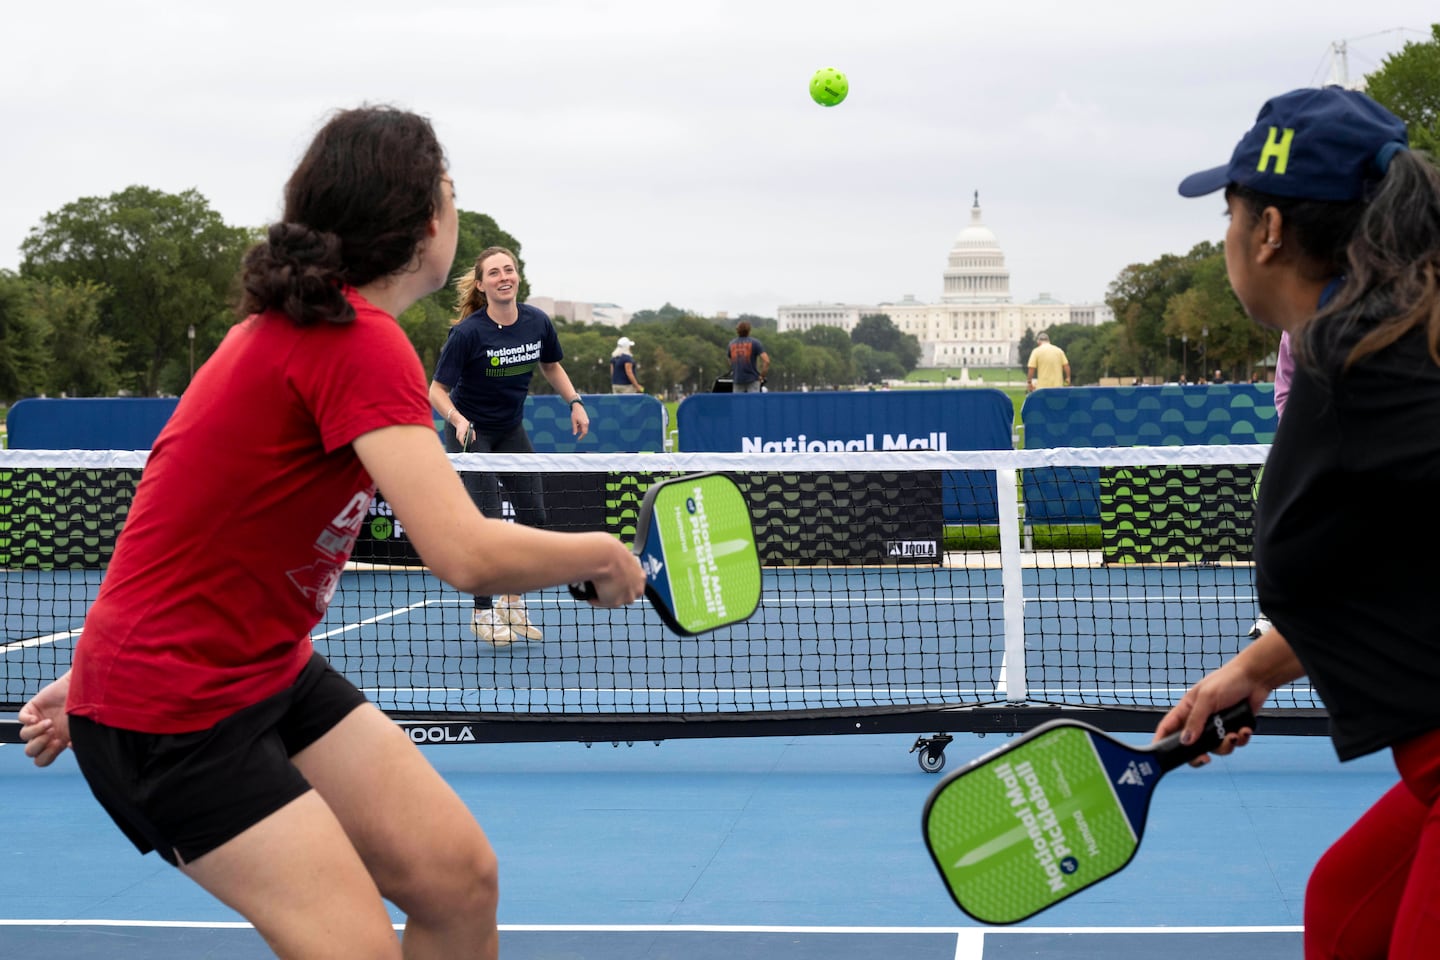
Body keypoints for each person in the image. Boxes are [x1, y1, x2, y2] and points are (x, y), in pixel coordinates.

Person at [17, 106, 645, 960]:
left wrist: (95, 662)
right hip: (174, 714)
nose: (456, 216)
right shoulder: (355, 339)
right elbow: (464, 554)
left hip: (257, 672)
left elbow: (193, 522)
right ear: (425, 220)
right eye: (452, 196)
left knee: (459, 881)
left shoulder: (311, 330)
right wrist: (604, 554)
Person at [1156, 86, 1440, 958]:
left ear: (1270, 230)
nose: (1225, 236)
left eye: (1230, 214)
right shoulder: (1371, 345)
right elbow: (1398, 559)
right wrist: (1255, 666)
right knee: (1346, 903)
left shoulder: (1364, 365)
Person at [428, 246, 591, 645]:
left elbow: (550, 364)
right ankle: (482, 612)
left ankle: (511, 602)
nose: (504, 276)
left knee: (534, 515)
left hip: (510, 430)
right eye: (494, 272)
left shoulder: (537, 322)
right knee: (487, 525)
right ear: (482, 286)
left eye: (510, 269)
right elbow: (437, 390)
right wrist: (459, 420)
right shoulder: (468, 333)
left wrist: (575, 402)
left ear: (517, 277)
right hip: (471, 433)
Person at [727, 320, 769, 392]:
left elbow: (730, 361)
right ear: (749, 330)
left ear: (737, 331)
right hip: (753, 379)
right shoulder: (755, 343)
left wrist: (735, 370)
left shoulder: (731, 344)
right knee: (753, 402)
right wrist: (762, 375)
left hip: (737, 379)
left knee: (738, 403)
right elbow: (766, 361)